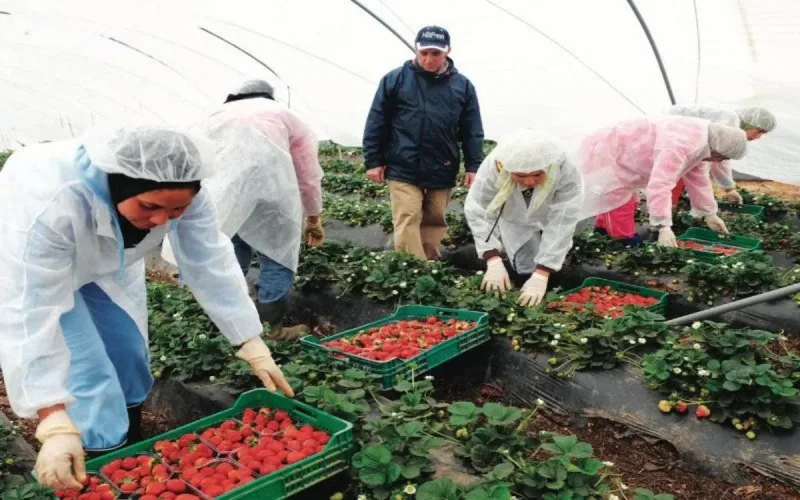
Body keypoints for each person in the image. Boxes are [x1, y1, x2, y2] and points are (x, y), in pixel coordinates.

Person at [0, 126, 293, 490]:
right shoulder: (51, 201)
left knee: (128, 351)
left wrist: (250, 340)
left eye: (176, 209)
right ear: (119, 186)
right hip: (42, 268)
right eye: (150, 206)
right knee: (89, 369)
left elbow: (209, 261)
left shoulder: (189, 193)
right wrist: (51, 416)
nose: (161, 220)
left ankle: (131, 439)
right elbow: (30, 309)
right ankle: (103, 461)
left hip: (111, 261)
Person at [162, 80, 323, 340]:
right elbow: (307, 173)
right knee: (278, 256)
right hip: (274, 194)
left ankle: (226, 324)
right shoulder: (285, 116)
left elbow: (190, 160)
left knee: (229, 253)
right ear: (269, 96)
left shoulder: (211, 116)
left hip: (225, 194)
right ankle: (272, 329)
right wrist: (313, 215)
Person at [363, 25, 484, 261]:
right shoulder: (395, 79)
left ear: (448, 52)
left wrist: (473, 166)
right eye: (424, 53)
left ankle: (429, 261)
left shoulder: (463, 86)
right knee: (407, 215)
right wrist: (373, 161)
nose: (429, 59)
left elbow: (472, 129)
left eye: (436, 54)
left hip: (443, 161)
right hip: (403, 161)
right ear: (416, 51)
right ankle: (413, 268)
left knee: (435, 217)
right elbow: (377, 121)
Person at [578, 116, 748, 247]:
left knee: (624, 199)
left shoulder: (702, 145)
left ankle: (601, 230)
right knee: (618, 200)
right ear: (718, 148)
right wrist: (663, 226)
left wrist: (709, 213)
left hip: (628, 155)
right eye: (722, 157)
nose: (718, 161)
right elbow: (660, 185)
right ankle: (622, 242)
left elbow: (698, 180)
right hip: (610, 153)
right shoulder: (678, 146)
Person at [464, 130, 583, 306]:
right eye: (520, 175)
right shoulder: (494, 166)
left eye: (537, 174)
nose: (529, 181)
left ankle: (546, 281)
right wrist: (492, 258)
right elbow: (478, 209)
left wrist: (543, 273)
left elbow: (562, 220)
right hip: (513, 215)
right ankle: (523, 283)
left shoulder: (564, 168)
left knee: (549, 256)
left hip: (550, 210)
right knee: (523, 259)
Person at [667, 106, 776, 205]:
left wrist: (729, 189)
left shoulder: (733, 126)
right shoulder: (730, 123)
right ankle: (666, 208)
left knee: (691, 170)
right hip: (669, 132)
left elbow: (720, 159)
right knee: (678, 172)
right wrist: (728, 189)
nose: (758, 137)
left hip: (680, 140)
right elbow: (720, 160)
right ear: (750, 124)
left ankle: (671, 204)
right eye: (759, 131)